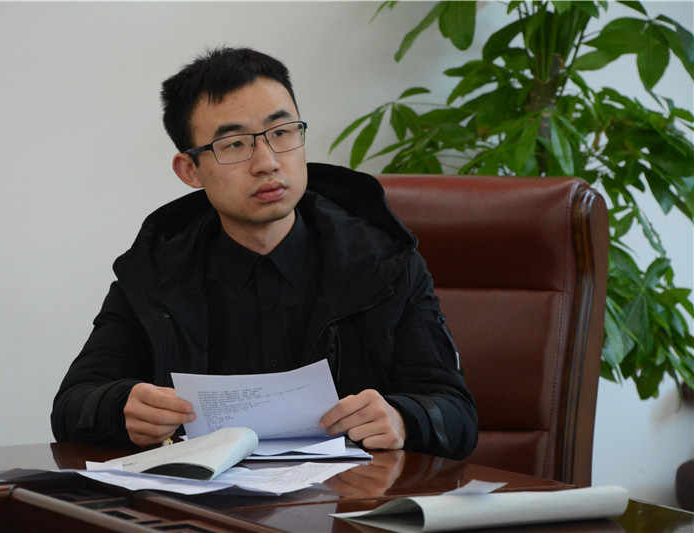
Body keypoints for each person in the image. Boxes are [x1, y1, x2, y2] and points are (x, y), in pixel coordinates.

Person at [51, 47, 477, 458]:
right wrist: (121, 407)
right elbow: (72, 404)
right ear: (190, 170)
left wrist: (403, 418)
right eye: (235, 144)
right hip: (204, 498)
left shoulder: (383, 262)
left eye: (281, 133)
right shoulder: (155, 272)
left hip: (351, 498)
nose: (268, 162)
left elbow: (456, 413)